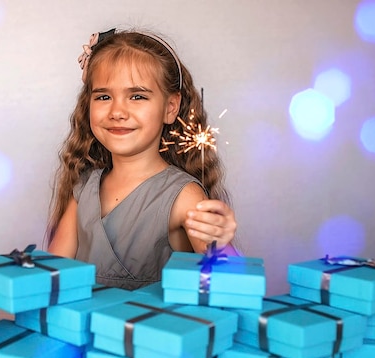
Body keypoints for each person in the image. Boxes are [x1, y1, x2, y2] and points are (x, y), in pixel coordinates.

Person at [46, 28, 238, 290]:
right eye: (103, 96)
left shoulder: (185, 196)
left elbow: (233, 286)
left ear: (170, 107)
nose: (117, 111)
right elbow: (49, 277)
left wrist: (220, 243)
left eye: (137, 96)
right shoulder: (84, 188)